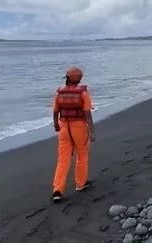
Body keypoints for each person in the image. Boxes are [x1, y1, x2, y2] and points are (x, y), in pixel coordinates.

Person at [51, 66, 95, 202]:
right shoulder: (83, 94)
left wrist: (56, 124)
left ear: (69, 78)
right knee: (82, 155)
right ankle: (80, 183)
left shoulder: (60, 93)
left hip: (64, 128)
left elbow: (55, 112)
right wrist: (92, 131)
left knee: (63, 159)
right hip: (79, 127)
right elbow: (87, 114)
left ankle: (57, 189)